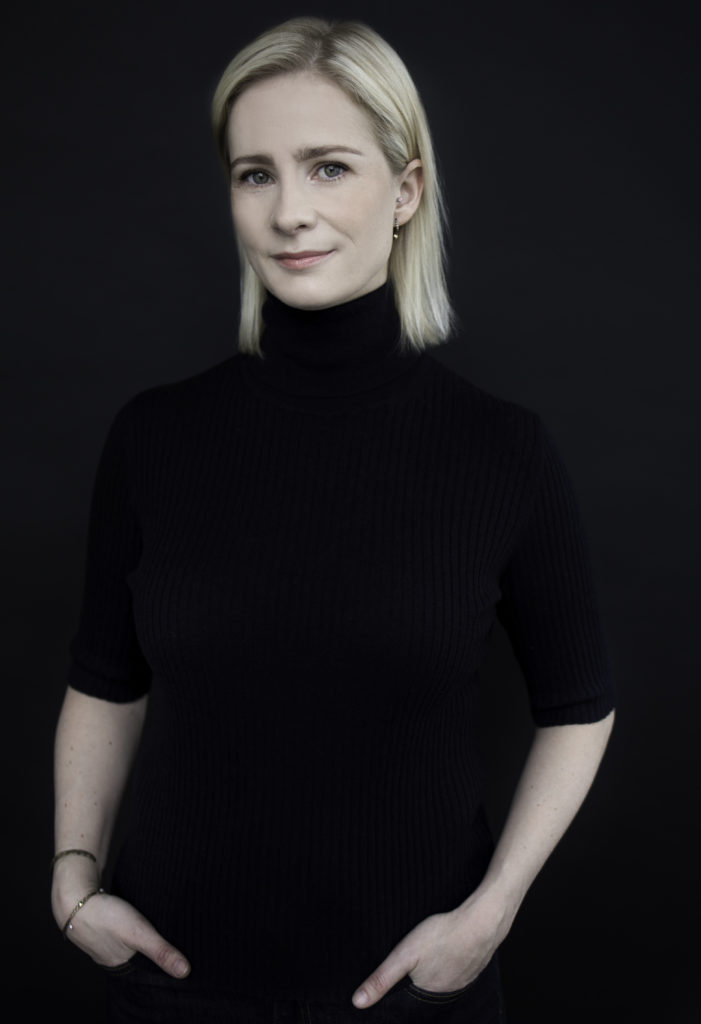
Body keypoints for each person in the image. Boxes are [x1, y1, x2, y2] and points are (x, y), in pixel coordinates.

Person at [51, 16, 616, 1024]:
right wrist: (72, 878)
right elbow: (104, 680)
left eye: (328, 168)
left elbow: (578, 705)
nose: (287, 212)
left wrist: (489, 913)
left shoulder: (500, 451)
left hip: (413, 995)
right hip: (174, 990)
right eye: (254, 175)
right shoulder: (155, 438)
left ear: (404, 192)